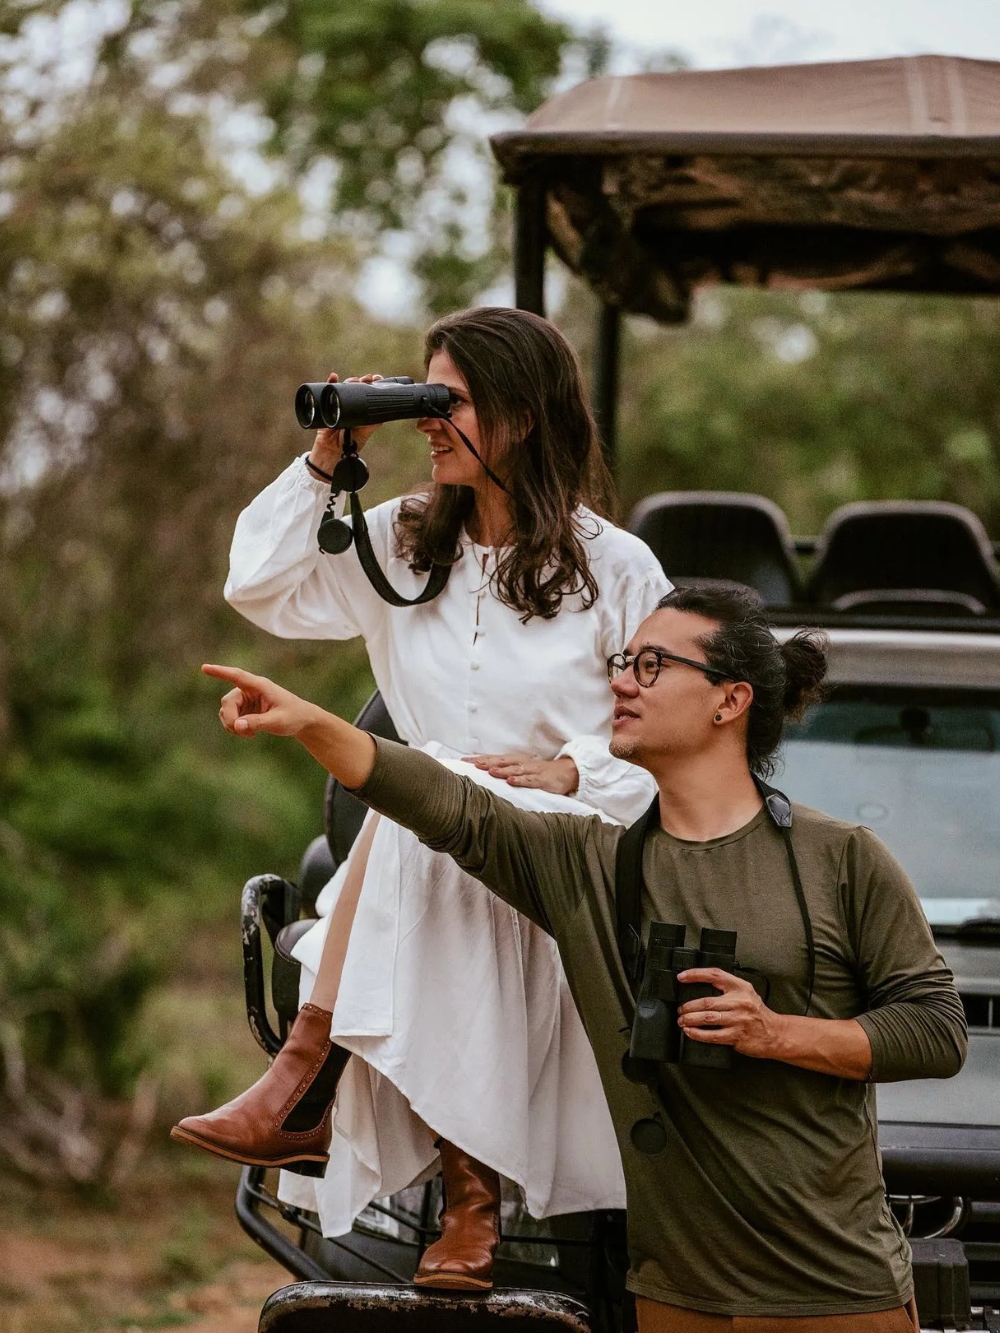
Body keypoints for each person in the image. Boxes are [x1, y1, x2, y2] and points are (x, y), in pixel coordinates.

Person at [197, 581, 967, 1331]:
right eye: (622, 663)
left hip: (836, 1295)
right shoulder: (589, 864)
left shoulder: (842, 859)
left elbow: (938, 1029)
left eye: (653, 666)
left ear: (731, 700)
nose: (623, 683)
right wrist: (310, 724)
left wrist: (777, 1032)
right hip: (674, 1300)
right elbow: (441, 799)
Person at [172, 307, 671, 1290]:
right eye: (423, 397)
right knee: (430, 798)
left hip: (573, 856)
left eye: (454, 402)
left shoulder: (616, 565)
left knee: (429, 797)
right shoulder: (400, 540)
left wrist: (574, 770)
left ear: (524, 417)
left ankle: (311, 1080)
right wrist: (326, 459)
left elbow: (667, 729)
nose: (431, 421)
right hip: (437, 844)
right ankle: (458, 1188)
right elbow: (259, 587)